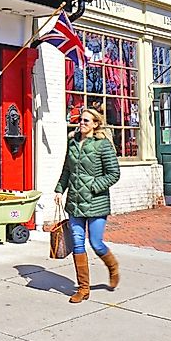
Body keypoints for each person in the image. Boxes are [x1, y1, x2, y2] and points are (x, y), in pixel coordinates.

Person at [54, 104, 121, 303]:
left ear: (95, 124)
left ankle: (112, 267)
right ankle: (83, 288)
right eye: (80, 120)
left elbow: (114, 174)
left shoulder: (103, 145)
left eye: (86, 120)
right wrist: (59, 189)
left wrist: (92, 185)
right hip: (74, 202)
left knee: (96, 243)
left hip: (96, 202)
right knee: (77, 243)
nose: (81, 123)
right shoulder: (73, 143)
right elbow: (67, 170)